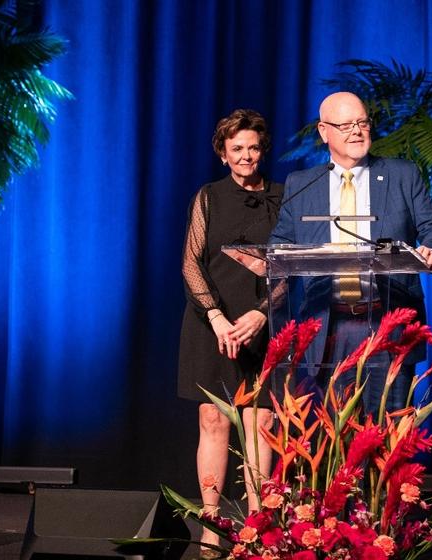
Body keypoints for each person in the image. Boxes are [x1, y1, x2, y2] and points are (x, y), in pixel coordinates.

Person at [269, 91, 432, 411]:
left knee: (391, 435)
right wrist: (272, 260)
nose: (356, 130)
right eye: (345, 125)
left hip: (388, 322)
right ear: (324, 132)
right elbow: (278, 245)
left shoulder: (402, 175)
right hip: (328, 327)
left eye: (362, 122)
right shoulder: (301, 184)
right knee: (337, 443)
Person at [177, 109, 281, 554]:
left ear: (263, 149)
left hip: (265, 321)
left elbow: (293, 268)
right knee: (213, 418)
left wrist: (260, 313)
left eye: (253, 147)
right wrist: (217, 316)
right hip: (211, 322)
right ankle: (212, 525)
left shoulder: (284, 197)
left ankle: (257, 524)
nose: (246, 156)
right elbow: (191, 263)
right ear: (223, 153)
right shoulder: (208, 197)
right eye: (236, 148)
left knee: (261, 423)